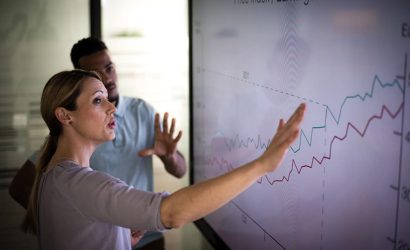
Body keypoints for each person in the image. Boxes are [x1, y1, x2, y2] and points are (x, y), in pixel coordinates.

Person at [23, 69, 306, 250]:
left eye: (108, 98)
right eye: (98, 101)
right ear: (65, 115)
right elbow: (172, 213)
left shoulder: (53, 175)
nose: (112, 107)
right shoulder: (78, 183)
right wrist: (261, 165)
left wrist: (119, 238)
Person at [9, 37, 186, 250]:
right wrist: (75, 228)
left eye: (110, 68)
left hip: (143, 237)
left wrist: (169, 156)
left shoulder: (142, 111)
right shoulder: (72, 161)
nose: (108, 78)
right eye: (97, 100)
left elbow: (180, 171)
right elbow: (172, 212)